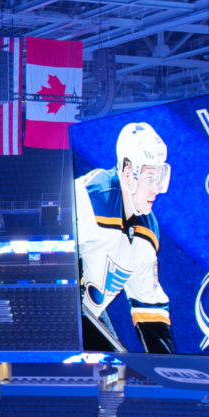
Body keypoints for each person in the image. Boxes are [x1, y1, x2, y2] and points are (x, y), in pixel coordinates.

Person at [76, 122, 174, 352]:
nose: (156, 188)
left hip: (87, 314)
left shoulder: (147, 230)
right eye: (150, 177)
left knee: (118, 367)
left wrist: (167, 371)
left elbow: (150, 310)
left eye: (160, 177)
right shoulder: (89, 198)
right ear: (128, 173)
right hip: (54, 315)